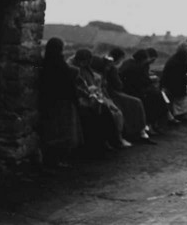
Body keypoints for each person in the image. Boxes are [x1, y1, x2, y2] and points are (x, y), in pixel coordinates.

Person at [69, 49, 130, 150]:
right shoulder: (75, 70)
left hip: (91, 97)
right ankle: (106, 142)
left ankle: (112, 140)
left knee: (111, 112)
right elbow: (79, 87)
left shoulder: (86, 69)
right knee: (102, 113)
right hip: (81, 99)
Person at [91, 49, 155, 144]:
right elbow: (118, 85)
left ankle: (139, 130)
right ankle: (139, 131)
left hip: (110, 92)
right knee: (136, 102)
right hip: (112, 93)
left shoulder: (115, 66)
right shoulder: (113, 69)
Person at [39, 38, 83, 167]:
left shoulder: (45, 61)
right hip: (63, 101)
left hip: (49, 100)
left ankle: (52, 159)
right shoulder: (61, 63)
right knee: (63, 132)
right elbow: (69, 84)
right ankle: (57, 160)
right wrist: (76, 101)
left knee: (52, 131)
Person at [119, 49, 169, 134]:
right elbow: (142, 82)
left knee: (156, 95)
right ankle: (152, 124)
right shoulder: (134, 67)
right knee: (155, 98)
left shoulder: (130, 63)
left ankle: (154, 124)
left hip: (132, 90)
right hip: (132, 92)